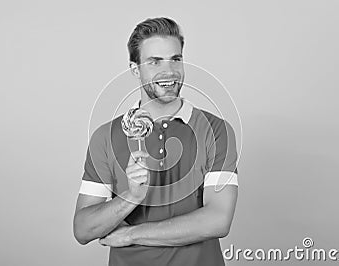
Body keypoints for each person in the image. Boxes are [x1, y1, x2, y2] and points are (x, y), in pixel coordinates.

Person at [73, 17, 239, 266]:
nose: (169, 71)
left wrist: (131, 234)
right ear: (135, 69)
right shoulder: (106, 137)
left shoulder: (215, 130)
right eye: (154, 61)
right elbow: (83, 229)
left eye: (176, 59)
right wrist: (131, 196)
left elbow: (218, 220)